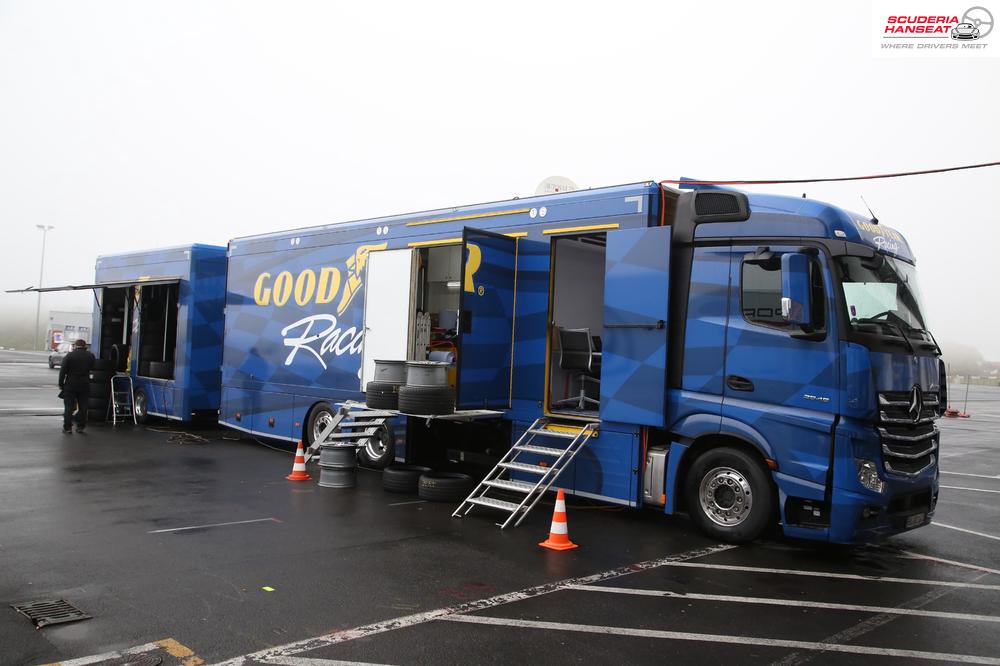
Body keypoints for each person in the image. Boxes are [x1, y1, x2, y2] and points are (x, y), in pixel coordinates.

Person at [59, 339, 95, 433]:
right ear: (85, 346)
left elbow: (63, 371)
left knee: (68, 407)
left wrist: (61, 384)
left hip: (71, 384)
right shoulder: (90, 356)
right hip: (84, 384)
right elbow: (93, 367)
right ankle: (80, 427)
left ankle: (67, 428)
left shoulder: (70, 356)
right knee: (83, 406)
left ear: (75, 346)